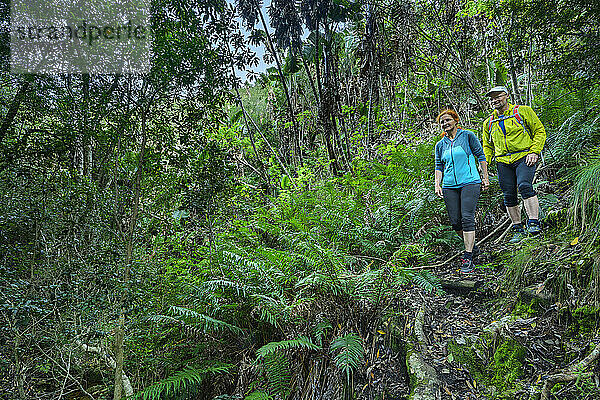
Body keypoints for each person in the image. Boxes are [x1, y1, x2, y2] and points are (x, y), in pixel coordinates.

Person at [482, 86, 547, 243]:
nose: (495, 100)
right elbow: (487, 146)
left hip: (524, 156)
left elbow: (539, 131)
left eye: (498, 96)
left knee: (525, 185)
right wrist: (484, 163)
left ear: (507, 96)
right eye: (492, 98)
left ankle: (533, 222)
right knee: (508, 194)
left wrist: (534, 151)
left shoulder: (522, 111)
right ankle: (517, 228)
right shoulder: (488, 122)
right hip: (503, 161)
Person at [435, 109, 489, 273]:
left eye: (448, 120)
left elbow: (481, 156)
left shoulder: (467, 136)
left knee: (467, 217)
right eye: (442, 122)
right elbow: (439, 166)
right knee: (455, 222)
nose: (445, 123)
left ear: (456, 120)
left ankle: (468, 256)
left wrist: (485, 178)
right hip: (449, 185)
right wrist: (437, 184)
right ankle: (473, 247)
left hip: (470, 181)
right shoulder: (440, 145)